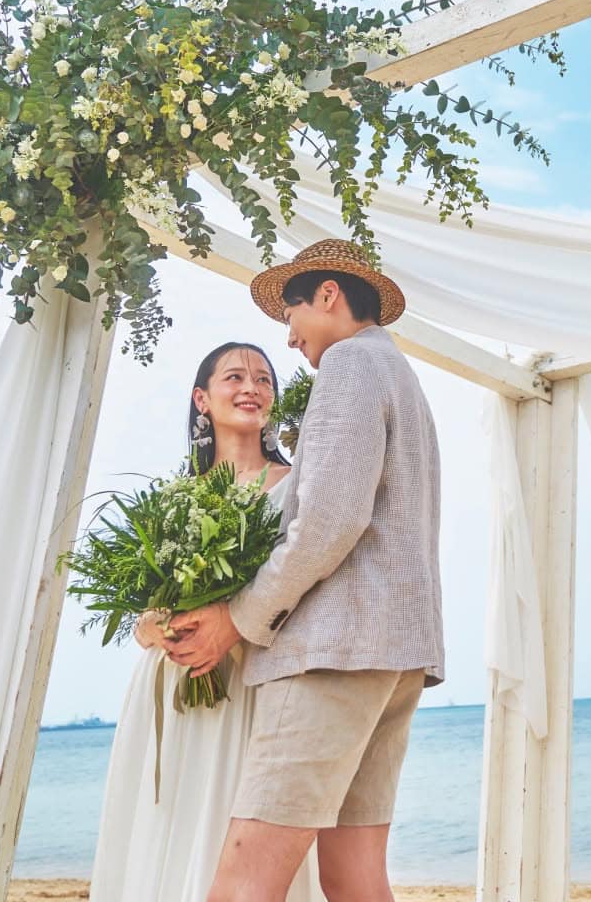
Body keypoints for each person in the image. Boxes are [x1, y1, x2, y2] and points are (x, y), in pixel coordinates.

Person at [168, 239, 444, 902]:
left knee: (244, 879)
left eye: (290, 316)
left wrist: (238, 619)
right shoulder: (401, 377)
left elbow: (326, 524)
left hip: (332, 653)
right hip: (396, 653)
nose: (288, 340)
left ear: (328, 295)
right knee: (354, 876)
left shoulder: (350, 364)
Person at [89, 342, 323, 902]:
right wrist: (150, 629)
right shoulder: (175, 497)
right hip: (174, 679)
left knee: (240, 825)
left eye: (264, 379)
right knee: (170, 816)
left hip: (252, 682)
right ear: (202, 399)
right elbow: (146, 599)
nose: (252, 388)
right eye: (235, 377)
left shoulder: (298, 486)